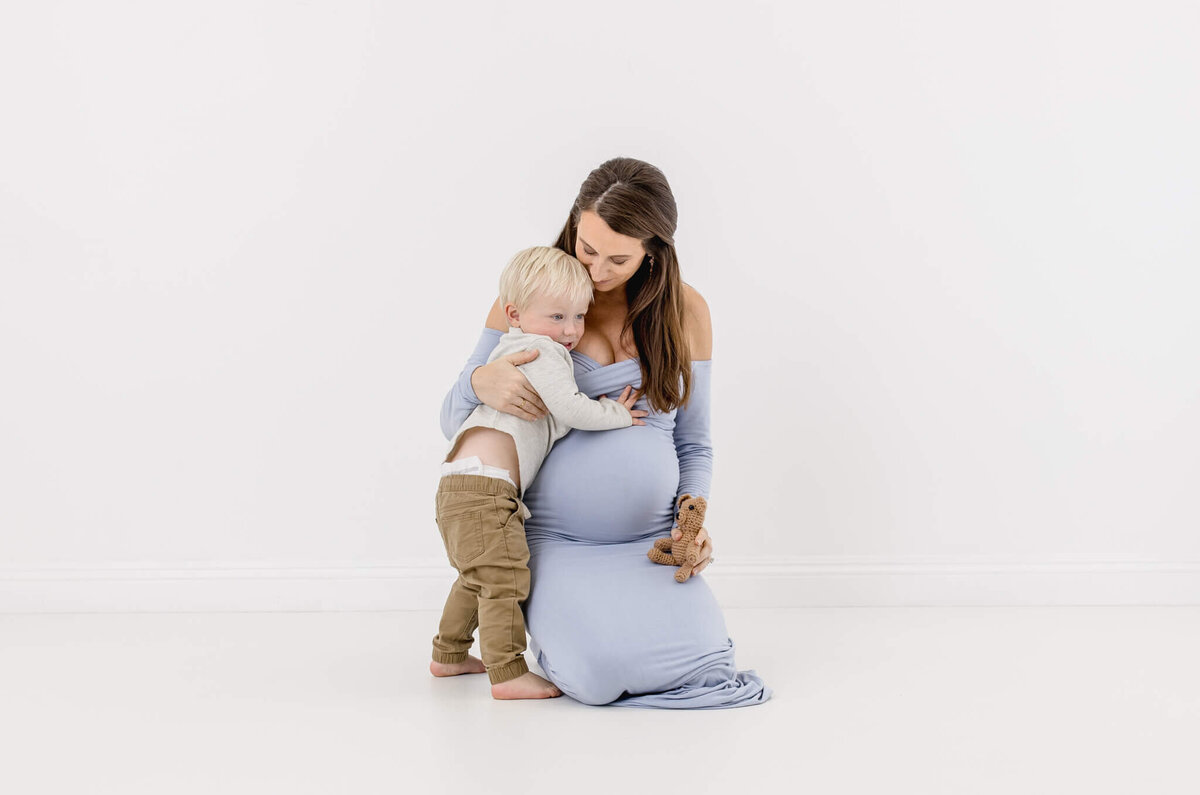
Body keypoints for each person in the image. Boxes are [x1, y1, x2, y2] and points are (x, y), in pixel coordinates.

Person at [440, 157, 771, 708]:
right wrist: (482, 379)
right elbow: (455, 420)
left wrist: (695, 515)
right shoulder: (532, 295)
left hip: (647, 545)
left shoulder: (687, 311)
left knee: (708, 664)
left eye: (618, 258)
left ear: (653, 252)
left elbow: (694, 442)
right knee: (594, 679)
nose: (594, 270)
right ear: (573, 225)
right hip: (558, 541)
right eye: (585, 247)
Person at [431, 246, 648, 700]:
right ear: (514, 313)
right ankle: (506, 672)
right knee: (506, 578)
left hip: (464, 483)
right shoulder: (541, 351)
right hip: (487, 487)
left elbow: (553, 417)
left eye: (578, 317)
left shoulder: (520, 348)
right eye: (557, 317)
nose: (569, 331)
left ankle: (448, 655)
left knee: (476, 578)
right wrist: (617, 414)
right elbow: (572, 408)